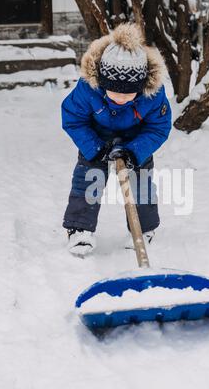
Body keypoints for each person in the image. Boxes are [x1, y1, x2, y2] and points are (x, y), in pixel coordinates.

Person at [62, 23, 172, 256]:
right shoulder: (87, 88)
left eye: (128, 93)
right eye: (114, 92)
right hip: (96, 135)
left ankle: (143, 229)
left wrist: (135, 151)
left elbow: (159, 127)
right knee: (89, 178)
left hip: (135, 137)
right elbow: (72, 119)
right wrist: (94, 148)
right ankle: (79, 229)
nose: (121, 99)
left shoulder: (153, 95)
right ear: (102, 82)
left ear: (141, 86)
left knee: (140, 181)